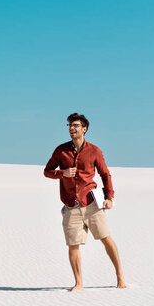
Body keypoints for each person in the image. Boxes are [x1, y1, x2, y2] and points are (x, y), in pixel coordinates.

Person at [44, 113, 126, 291]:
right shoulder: (61, 150)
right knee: (73, 245)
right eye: (69, 126)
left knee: (106, 239)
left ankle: (120, 277)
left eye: (75, 125)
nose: (71, 128)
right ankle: (78, 283)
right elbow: (47, 171)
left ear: (84, 129)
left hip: (92, 204)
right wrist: (62, 173)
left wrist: (109, 198)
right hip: (71, 205)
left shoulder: (94, 150)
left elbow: (105, 175)